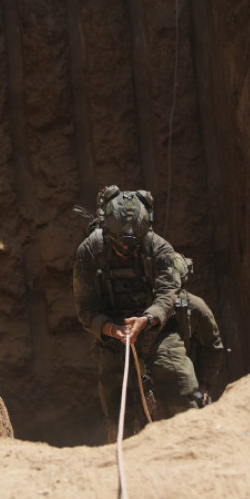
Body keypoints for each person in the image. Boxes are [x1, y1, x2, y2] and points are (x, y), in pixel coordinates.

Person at [72, 185, 199, 441]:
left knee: (180, 382)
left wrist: (147, 319)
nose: (126, 249)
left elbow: (167, 293)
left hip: (157, 331)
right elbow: (85, 308)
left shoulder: (159, 248)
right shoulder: (89, 252)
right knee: (117, 411)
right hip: (113, 337)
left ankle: (195, 445)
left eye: (133, 244)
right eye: (119, 244)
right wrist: (111, 329)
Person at [173, 288, 225, 406]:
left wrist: (203, 385)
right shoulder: (145, 310)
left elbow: (212, 348)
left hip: (188, 384)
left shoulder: (195, 307)